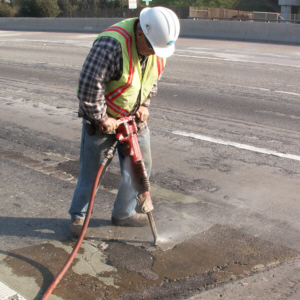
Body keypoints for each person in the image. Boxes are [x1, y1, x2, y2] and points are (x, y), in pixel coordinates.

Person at [69, 6, 180, 236]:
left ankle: (124, 212)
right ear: (141, 34)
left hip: (132, 118)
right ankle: (79, 218)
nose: (154, 54)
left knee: (140, 168)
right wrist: (101, 118)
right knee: (92, 173)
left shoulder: (159, 48)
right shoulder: (111, 45)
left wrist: (145, 104)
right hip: (104, 118)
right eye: (152, 48)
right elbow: (89, 87)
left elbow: (152, 78)